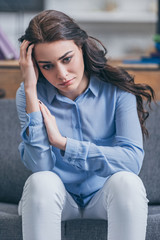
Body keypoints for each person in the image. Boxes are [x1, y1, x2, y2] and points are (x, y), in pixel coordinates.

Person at [16, 9, 155, 240]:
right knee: (41, 181)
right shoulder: (30, 94)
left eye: (66, 59)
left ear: (80, 47)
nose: (61, 74)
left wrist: (63, 143)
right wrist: (30, 88)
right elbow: (40, 165)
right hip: (58, 198)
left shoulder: (117, 89)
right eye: (47, 66)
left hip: (104, 197)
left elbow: (131, 161)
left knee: (128, 182)